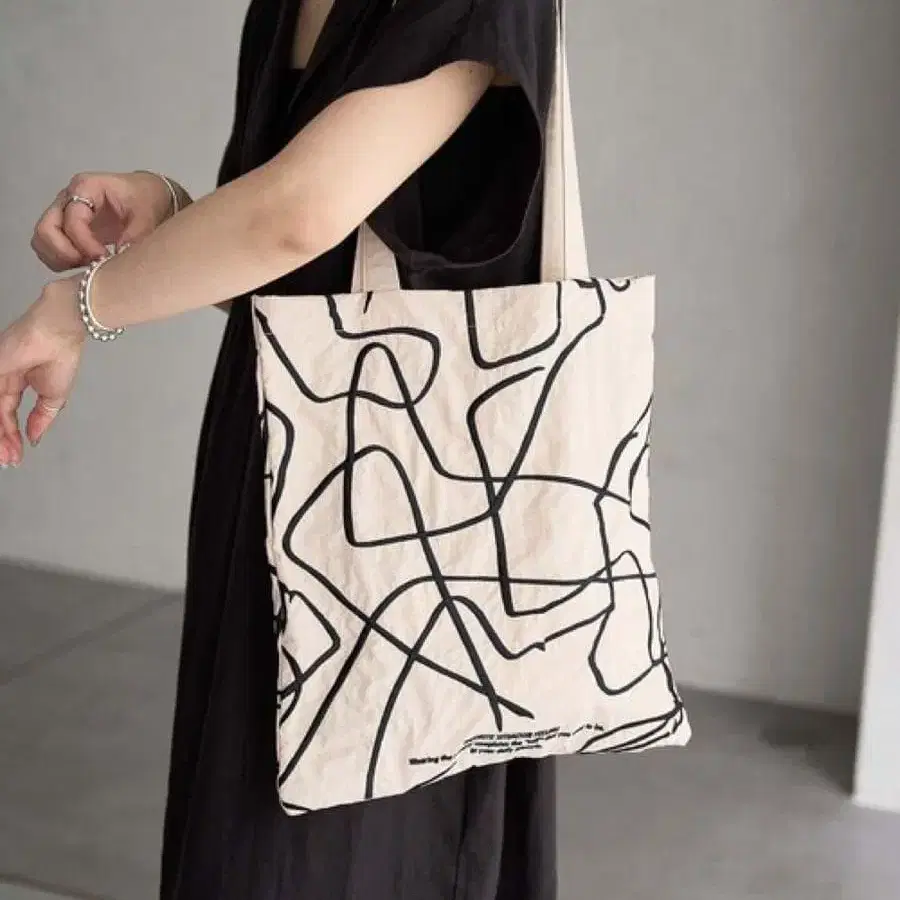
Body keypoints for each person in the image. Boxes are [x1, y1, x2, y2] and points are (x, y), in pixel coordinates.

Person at [0, 0, 561, 896]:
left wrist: (79, 308)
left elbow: (300, 215)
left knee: (342, 838)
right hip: (290, 465)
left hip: (408, 503)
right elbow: (291, 258)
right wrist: (172, 210)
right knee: (266, 815)